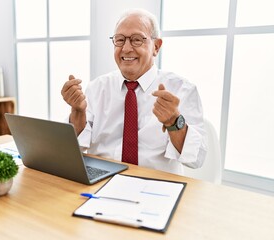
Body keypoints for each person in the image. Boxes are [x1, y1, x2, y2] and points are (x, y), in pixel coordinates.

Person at [61, 8, 206, 174]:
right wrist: (78, 111)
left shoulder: (182, 89)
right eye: (120, 40)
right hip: (100, 181)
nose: (126, 48)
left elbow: (197, 158)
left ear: (156, 47)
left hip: (155, 187)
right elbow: (75, 147)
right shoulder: (97, 87)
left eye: (137, 40)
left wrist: (174, 122)